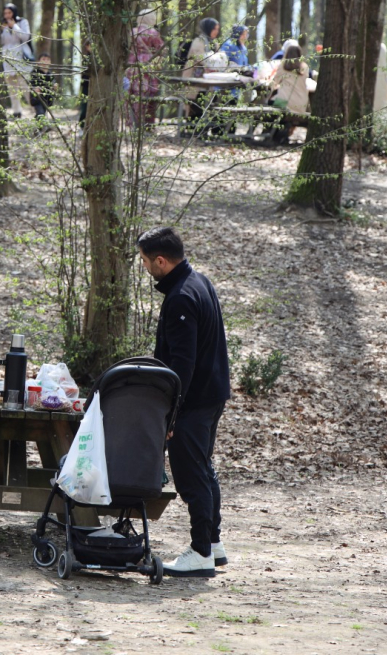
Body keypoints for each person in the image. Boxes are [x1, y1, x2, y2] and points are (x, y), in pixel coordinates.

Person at [137, 227, 232, 578]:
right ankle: (214, 543)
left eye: (146, 261)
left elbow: (182, 364)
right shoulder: (199, 281)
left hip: (193, 401)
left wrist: (171, 413)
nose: (145, 267)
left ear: (161, 260)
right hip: (212, 394)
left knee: (192, 475)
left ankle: (201, 552)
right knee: (204, 468)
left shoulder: (180, 297)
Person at [181, 18, 223, 134]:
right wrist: (211, 62)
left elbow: (220, 57)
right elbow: (200, 57)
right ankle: (192, 130)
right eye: (214, 29)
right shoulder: (198, 41)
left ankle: (204, 130)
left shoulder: (214, 43)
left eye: (217, 29)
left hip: (210, 78)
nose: (216, 32)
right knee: (195, 102)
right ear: (208, 28)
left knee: (209, 101)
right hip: (195, 76)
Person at [126, 8, 165, 129]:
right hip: (147, 66)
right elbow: (161, 49)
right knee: (148, 94)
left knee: (132, 94)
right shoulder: (152, 32)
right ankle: (146, 123)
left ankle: (132, 123)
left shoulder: (131, 32)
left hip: (131, 65)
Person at [267, 42, 310, 144]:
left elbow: (274, 83)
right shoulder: (304, 67)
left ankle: (271, 134)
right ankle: (281, 134)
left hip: (285, 104)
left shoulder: (283, 65)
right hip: (301, 104)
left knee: (270, 104)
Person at [1, 3, 33, 118]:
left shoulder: (22, 22)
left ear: (14, 12)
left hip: (21, 60)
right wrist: (3, 29)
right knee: (12, 89)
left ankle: (35, 109)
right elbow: (1, 42)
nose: (7, 15)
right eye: (5, 13)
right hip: (7, 61)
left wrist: (14, 26)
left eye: (9, 12)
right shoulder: (2, 25)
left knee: (25, 87)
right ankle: (17, 112)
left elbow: (26, 37)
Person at [29, 53, 58, 120]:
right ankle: (40, 128)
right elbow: (32, 83)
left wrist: (54, 87)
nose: (45, 61)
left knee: (43, 112)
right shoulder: (35, 72)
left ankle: (39, 127)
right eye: (43, 59)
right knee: (40, 113)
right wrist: (35, 89)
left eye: (48, 59)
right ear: (38, 62)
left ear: (50, 62)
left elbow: (53, 83)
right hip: (37, 98)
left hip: (47, 98)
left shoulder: (50, 74)